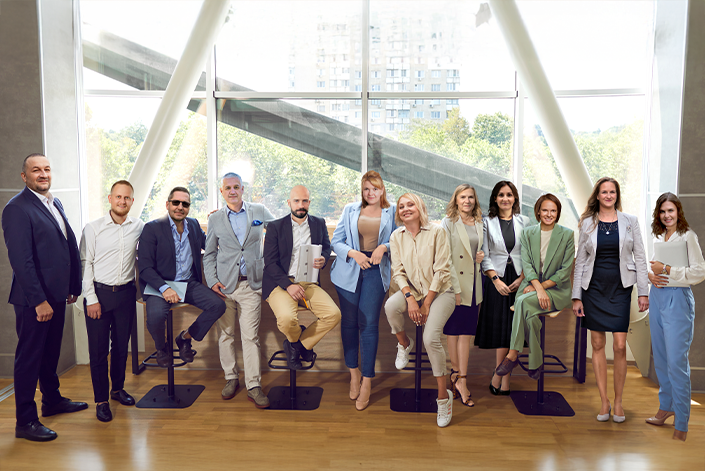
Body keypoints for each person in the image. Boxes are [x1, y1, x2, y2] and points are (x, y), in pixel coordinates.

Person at [2, 153, 86, 441]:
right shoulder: (17, 208)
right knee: (29, 358)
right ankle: (25, 421)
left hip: (57, 294)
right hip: (34, 299)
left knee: (50, 352)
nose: (43, 174)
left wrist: (72, 285)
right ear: (24, 176)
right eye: (36, 170)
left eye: (46, 169)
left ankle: (52, 400)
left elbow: (64, 246)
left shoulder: (53, 202)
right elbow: (21, 261)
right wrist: (39, 301)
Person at [572, 177, 648, 423]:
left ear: (617, 195)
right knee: (597, 344)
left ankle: (618, 402)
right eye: (604, 192)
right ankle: (604, 401)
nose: (608, 195)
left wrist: (644, 291)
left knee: (619, 345)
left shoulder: (630, 221)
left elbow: (640, 257)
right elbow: (581, 261)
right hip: (593, 289)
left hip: (620, 289)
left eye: (612, 192)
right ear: (597, 195)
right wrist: (576, 296)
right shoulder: (587, 223)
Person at [384, 193, 456, 427]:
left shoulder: (437, 232)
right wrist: (410, 299)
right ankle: (404, 344)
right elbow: (398, 272)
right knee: (391, 306)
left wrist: (426, 303)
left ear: (420, 207)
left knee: (430, 338)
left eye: (410, 204)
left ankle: (443, 397)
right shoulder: (396, 236)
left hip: (441, 292)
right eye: (401, 206)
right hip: (413, 291)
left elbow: (442, 271)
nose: (405, 209)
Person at [204, 173, 274, 408]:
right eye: (228, 188)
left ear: (243, 189)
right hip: (223, 287)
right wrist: (212, 281)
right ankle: (231, 378)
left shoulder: (259, 210)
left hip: (251, 284)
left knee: (250, 337)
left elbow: (279, 229)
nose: (232, 191)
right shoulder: (215, 219)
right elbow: (209, 254)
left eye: (236, 187)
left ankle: (253, 385)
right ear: (222, 191)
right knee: (225, 335)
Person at [138, 186, 226, 367]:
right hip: (159, 284)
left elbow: (212, 247)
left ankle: (185, 338)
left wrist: (219, 222)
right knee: (155, 317)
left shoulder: (193, 225)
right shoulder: (151, 228)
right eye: (176, 203)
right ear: (167, 205)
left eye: (185, 204)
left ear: (189, 207)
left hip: (188, 283)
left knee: (217, 305)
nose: (180, 207)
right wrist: (165, 288)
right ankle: (161, 348)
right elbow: (145, 268)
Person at [330, 171, 396, 411]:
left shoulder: (393, 211)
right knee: (349, 323)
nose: (371, 193)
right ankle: (354, 373)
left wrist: (383, 247)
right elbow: (336, 241)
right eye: (367, 188)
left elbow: (401, 238)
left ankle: (367, 381)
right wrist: (353, 253)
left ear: (382, 190)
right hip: (349, 270)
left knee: (368, 325)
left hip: (376, 271)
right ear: (362, 190)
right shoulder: (350, 209)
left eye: (375, 188)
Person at [79, 180, 144, 422]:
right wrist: (91, 299)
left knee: (120, 347)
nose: (122, 201)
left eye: (126, 198)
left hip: (126, 294)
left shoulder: (139, 226)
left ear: (132, 201)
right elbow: (85, 264)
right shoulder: (93, 228)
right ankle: (101, 401)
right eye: (118, 197)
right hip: (99, 295)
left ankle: (117, 389)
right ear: (110, 199)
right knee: (98, 352)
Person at [495, 194, 574, 379]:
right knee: (530, 318)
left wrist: (541, 288)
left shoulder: (567, 235)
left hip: (556, 290)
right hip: (530, 287)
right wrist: (537, 288)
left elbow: (564, 272)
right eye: (545, 210)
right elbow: (527, 265)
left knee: (522, 302)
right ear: (538, 211)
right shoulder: (527, 233)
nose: (549, 214)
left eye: (553, 211)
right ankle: (536, 361)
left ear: (558, 213)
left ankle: (512, 354)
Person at [646, 192, 704, 441]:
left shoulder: (688, 236)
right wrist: (651, 275)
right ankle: (666, 407)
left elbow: (699, 272)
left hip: (678, 299)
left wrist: (668, 269)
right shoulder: (659, 236)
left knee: (677, 363)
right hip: (657, 297)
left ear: (678, 211)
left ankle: (682, 422)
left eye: (670, 210)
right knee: (661, 359)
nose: (666, 215)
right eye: (662, 211)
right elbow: (652, 266)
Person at [263, 185, 341, 370]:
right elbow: (270, 263)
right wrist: (288, 285)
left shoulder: (318, 223)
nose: (301, 205)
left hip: (308, 282)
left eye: (304, 201)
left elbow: (326, 247)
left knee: (333, 315)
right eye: (296, 201)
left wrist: (324, 258)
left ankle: (297, 345)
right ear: (289, 203)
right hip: (280, 283)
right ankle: (298, 342)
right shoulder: (275, 226)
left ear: (309, 202)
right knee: (287, 319)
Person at [475, 180, 528, 396]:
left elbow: (529, 254)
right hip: (496, 278)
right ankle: (501, 377)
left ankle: (501, 378)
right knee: (501, 331)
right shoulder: (486, 222)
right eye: (501, 195)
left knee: (514, 330)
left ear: (515, 198)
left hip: (519, 278)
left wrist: (522, 278)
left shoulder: (524, 221)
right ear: (495, 199)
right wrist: (496, 280)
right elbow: (485, 254)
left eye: (509, 194)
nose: (505, 198)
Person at [440, 184, 484, 407]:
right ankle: (457, 376)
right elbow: (445, 258)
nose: (467, 201)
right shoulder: (448, 222)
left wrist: (481, 256)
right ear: (456, 200)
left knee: (466, 333)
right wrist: (455, 289)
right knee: (453, 331)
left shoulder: (480, 222)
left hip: (474, 283)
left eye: (471, 197)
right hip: (454, 283)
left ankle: (460, 378)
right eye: (463, 197)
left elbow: (480, 250)